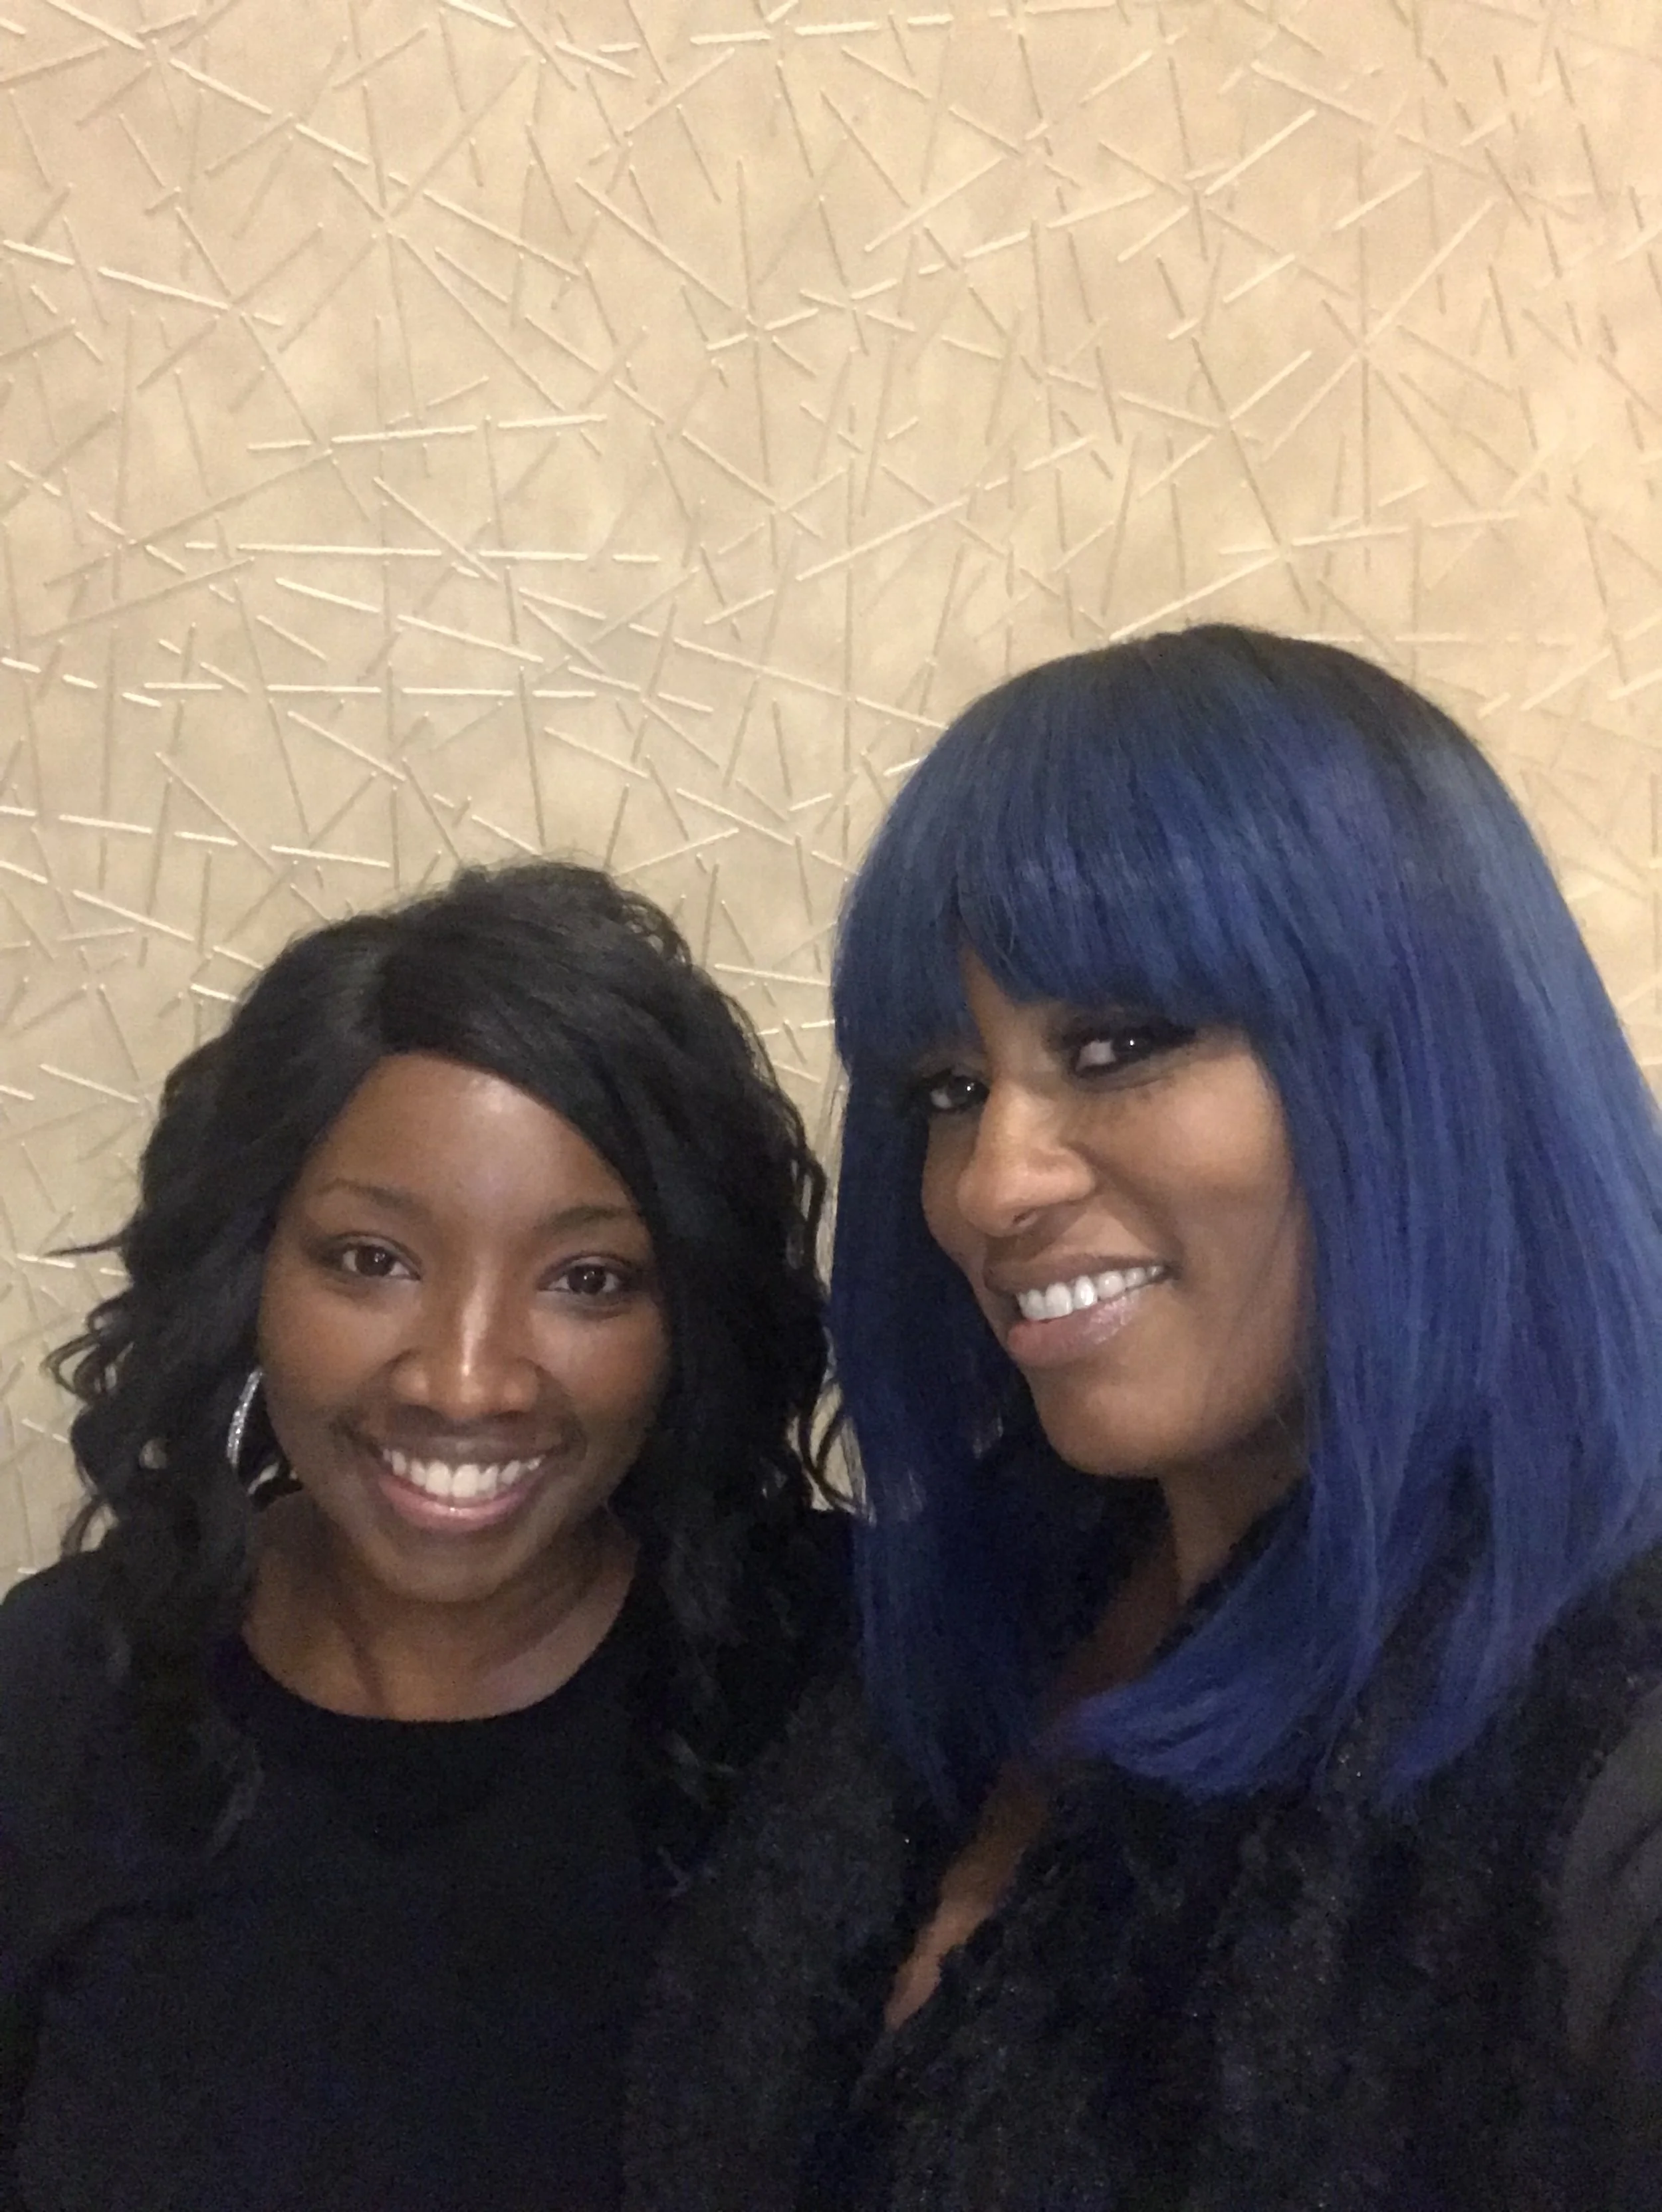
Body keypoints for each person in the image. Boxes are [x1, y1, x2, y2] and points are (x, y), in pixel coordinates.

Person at [626, 625, 1662, 2211]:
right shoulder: (982, 1602)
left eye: (1116, 1047)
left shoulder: (1606, 1723)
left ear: (1420, 1054)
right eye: (950, 1087)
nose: (990, 1184)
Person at [0, 859, 838, 2212]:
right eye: (370, 1259)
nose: (463, 1379)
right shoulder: (61, 1690)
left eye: (587, 1279)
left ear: (688, 1317)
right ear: (248, 1275)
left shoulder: (833, 1694)